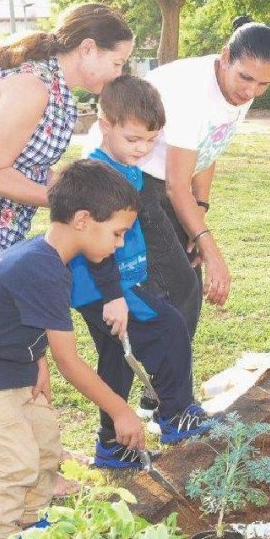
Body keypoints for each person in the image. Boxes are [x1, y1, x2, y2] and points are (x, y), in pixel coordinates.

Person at [0, 161, 146, 539]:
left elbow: (20, 318)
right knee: (16, 462)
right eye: (117, 233)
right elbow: (73, 363)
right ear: (83, 220)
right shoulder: (42, 266)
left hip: (11, 360)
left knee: (46, 445)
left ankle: (33, 525)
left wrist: (37, 360)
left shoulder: (50, 260)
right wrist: (120, 410)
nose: (121, 243)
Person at [87, 17, 270, 342]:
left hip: (164, 179)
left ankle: (169, 384)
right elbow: (176, 187)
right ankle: (166, 386)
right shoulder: (191, 91)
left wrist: (200, 212)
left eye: (264, 84)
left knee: (185, 278)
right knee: (181, 287)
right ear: (225, 57)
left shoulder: (239, 91)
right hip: (125, 174)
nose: (251, 91)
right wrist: (214, 252)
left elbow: (210, 147)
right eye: (245, 78)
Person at [0, 3, 133, 293]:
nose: (118, 74)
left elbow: (31, 165)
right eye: (117, 63)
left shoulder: (55, 88)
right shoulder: (33, 87)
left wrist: (89, 194)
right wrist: (71, 204)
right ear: (88, 48)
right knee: (6, 332)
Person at [69, 77, 212, 468]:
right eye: (133, 139)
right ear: (105, 126)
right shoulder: (99, 175)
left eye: (151, 140)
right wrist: (115, 296)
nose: (143, 149)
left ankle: (113, 446)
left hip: (113, 285)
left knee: (115, 359)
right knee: (168, 327)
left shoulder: (125, 167)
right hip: (103, 286)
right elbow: (96, 248)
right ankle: (176, 413)